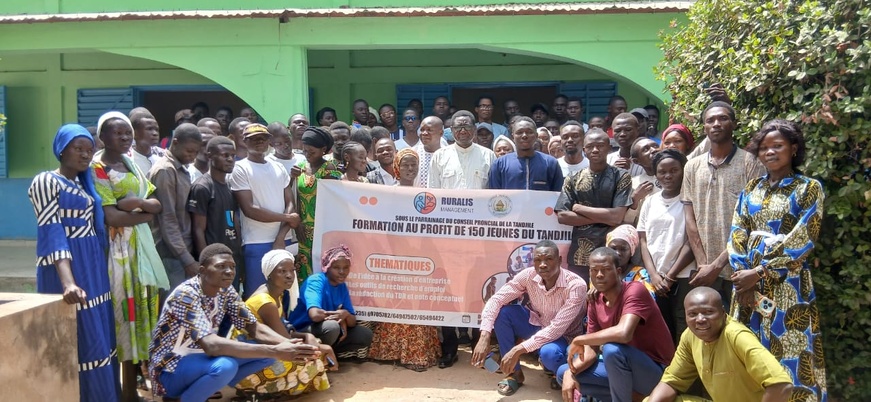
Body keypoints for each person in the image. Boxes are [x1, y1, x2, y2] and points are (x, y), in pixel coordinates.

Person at [727, 119, 828, 399]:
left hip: (787, 285)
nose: (770, 152)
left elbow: (804, 238)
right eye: (764, 148)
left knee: (791, 349)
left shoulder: (809, 188)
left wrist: (760, 271)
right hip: (746, 287)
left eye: (777, 146)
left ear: (793, 149)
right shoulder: (751, 190)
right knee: (749, 350)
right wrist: (742, 275)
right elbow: (737, 233)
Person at [148, 244, 319, 402]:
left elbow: (253, 327)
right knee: (225, 366)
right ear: (202, 270)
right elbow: (211, 345)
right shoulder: (186, 295)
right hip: (170, 369)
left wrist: (290, 346)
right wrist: (276, 349)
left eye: (232, 267)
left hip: (200, 360)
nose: (229, 271)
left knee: (267, 354)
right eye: (221, 266)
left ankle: (202, 389)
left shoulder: (225, 290)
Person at [29, 124, 121, 401]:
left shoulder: (83, 183)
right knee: (81, 337)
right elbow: (52, 231)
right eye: (77, 148)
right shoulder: (46, 181)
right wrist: (68, 282)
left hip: (92, 265)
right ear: (61, 149)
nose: (84, 155)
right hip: (69, 267)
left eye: (89, 150)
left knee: (98, 335)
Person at [91, 112, 167, 400]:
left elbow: (156, 203)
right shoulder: (97, 167)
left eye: (127, 133)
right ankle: (119, 391)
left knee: (140, 315)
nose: (124, 138)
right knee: (123, 315)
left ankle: (130, 389)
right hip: (117, 253)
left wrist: (135, 203)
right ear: (102, 137)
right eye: (117, 133)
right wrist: (143, 214)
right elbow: (111, 216)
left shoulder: (131, 162)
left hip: (139, 250)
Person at [558, 247, 675, 402]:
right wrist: (571, 372)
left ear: (618, 271)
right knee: (562, 373)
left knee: (612, 350)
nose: (599, 275)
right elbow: (591, 351)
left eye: (606, 269)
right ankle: (641, 399)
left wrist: (580, 339)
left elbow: (624, 334)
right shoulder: (594, 300)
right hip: (624, 372)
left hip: (657, 373)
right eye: (594, 270)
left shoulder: (635, 290)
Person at [472, 240, 587, 396]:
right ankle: (514, 374)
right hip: (538, 324)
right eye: (538, 260)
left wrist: (517, 350)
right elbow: (496, 299)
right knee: (503, 313)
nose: (543, 265)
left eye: (548, 259)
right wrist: (485, 334)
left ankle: (557, 373)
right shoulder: (529, 275)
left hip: (563, 336)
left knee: (549, 354)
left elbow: (556, 328)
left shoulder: (575, 285)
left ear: (560, 260)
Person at [645, 287, 793, 402]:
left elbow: (781, 385)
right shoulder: (690, 336)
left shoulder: (737, 336)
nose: (700, 319)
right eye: (692, 314)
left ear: (723, 313)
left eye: (708, 312)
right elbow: (672, 382)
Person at [683, 101, 765, 307]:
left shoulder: (751, 163)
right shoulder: (692, 166)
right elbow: (689, 217)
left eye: (723, 118)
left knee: (739, 330)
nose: (716, 123)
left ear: (734, 124)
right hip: (704, 269)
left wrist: (718, 264)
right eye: (710, 120)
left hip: (740, 268)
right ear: (704, 128)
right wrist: (703, 263)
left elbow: (754, 221)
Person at [366, 156, 441, 369]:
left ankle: (416, 354)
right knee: (396, 304)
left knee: (417, 306)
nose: (410, 168)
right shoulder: (389, 194)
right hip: (395, 259)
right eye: (405, 164)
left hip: (420, 260)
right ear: (397, 167)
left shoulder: (426, 196)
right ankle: (390, 352)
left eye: (413, 165)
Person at [234, 250, 334, 398]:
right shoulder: (266, 302)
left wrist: (308, 336)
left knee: (313, 346)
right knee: (308, 359)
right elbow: (286, 340)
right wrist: (321, 348)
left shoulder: (275, 294)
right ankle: (257, 389)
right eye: (282, 271)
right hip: (251, 361)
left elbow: (284, 332)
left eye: (292, 270)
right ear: (270, 274)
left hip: (262, 351)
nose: (289, 275)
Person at [229, 123, 301, 298]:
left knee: (286, 294)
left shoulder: (278, 167)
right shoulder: (240, 169)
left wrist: (281, 236)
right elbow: (250, 210)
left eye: (262, 138)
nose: (259, 142)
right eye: (253, 139)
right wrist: (287, 218)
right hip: (256, 241)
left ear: (269, 140)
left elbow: (290, 203)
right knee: (257, 294)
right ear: (245, 142)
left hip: (285, 240)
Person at [555, 129, 632, 282]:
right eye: (590, 146)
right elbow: (562, 216)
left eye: (600, 145)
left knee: (608, 301)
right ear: (584, 150)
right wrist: (604, 218)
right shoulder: (572, 178)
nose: (595, 150)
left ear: (609, 148)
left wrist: (579, 209)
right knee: (580, 298)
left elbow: (617, 218)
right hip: (580, 255)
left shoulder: (621, 176)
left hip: (611, 253)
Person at [637, 150, 696, 343]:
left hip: (684, 275)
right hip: (656, 278)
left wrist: (670, 276)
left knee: (683, 325)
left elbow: (692, 241)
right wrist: (654, 274)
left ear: (683, 171)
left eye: (674, 170)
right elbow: (643, 240)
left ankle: (686, 371)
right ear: (655, 174)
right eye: (662, 171)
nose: (668, 175)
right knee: (659, 327)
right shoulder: (650, 201)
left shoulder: (691, 201)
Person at [288, 245, 374, 359]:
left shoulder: (342, 286)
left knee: (364, 334)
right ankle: (318, 358)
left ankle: (327, 356)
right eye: (336, 267)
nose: (342, 272)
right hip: (302, 330)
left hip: (324, 330)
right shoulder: (316, 281)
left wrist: (345, 314)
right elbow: (314, 315)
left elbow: (352, 321)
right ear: (327, 267)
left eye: (346, 267)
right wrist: (338, 317)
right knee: (332, 327)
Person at [148, 123, 203, 289]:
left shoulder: (180, 169)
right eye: (189, 151)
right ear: (175, 142)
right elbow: (168, 217)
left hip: (182, 251)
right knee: (175, 308)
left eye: (196, 152)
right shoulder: (166, 170)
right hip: (172, 254)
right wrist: (186, 258)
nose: (193, 157)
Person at [187, 137, 242, 289]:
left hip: (231, 259)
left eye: (233, 155)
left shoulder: (229, 186)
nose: (230, 159)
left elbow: (230, 219)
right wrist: (207, 262)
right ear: (210, 155)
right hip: (215, 265)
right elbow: (198, 229)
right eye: (225, 155)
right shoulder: (203, 187)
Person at [296, 127, 343, 281]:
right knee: (304, 272)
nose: (307, 155)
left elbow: (334, 201)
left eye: (312, 151)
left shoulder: (329, 170)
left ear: (323, 150)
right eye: (305, 151)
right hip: (303, 230)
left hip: (322, 230)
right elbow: (297, 195)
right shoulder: (302, 167)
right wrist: (298, 223)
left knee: (321, 270)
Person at [488, 116, 563, 191]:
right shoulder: (499, 164)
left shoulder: (550, 163)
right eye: (519, 132)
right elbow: (495, 197)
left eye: (529, 132)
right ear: (513, 136)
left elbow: (558, 196)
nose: (524, 136)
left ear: (536, 136)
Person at [428, 110, 497, 190]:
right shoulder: (439, 156)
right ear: (451, 130)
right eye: (458, 127)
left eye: (467, 127)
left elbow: (494, 192)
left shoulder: (489, 156)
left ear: (474, 129)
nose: (463, 131)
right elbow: (432, 190)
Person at [607, 225, 656, 299]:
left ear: (631, 251)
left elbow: (648, 301)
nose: (617, 253)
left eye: (623, 249)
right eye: (613, 248)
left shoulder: (640, 275)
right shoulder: (600, 272)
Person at [623, 137, 659, 225]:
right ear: (636, 161)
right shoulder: (633, 184)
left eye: (656, 146)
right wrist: (635, 199)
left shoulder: (676, 176)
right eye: (646, 149)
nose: (654, 150)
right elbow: (628, 222)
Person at [607, 112, 646, 177]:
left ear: (637, 131)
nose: (622, 134)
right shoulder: (607, 160)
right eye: (617, 130)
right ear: (612, 132)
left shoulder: (646, 161)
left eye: (628, 130)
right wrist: (612, 172)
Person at [127, 108, 164, 175]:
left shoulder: (163, 157)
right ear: (134, 134)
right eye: (149, 129)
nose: (155, 133)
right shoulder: (127, 160)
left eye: (156, 129)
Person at [414, 116, 446, 188]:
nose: (424, 133)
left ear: (441, 133)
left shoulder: (450, 156)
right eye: (422, 130)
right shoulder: (412, 154)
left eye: (429, 130)